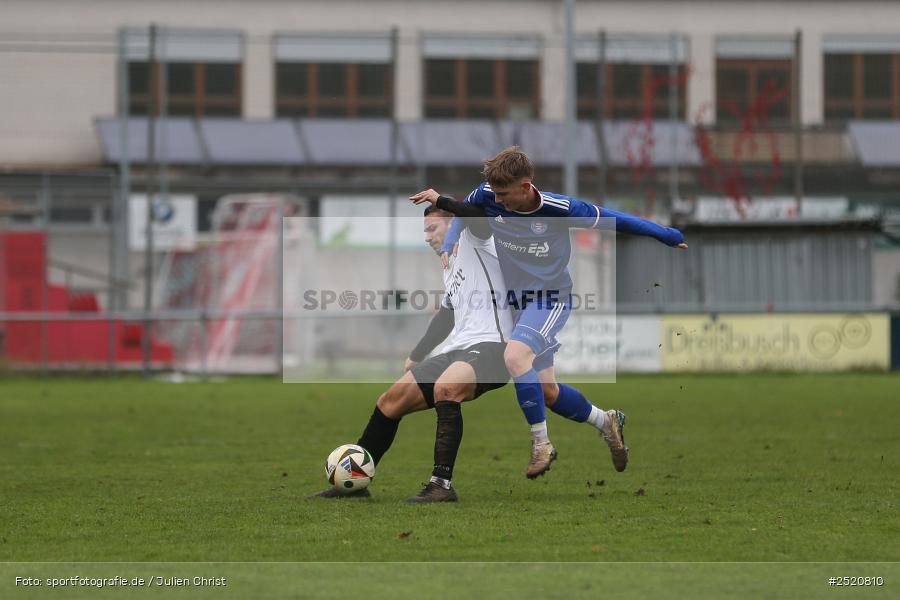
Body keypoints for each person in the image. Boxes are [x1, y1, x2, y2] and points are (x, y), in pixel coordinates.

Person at [410, 146, 688, 479]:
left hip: (549, 299)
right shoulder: (489, 192)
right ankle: (606, 421)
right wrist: (451, 242)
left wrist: (668, 235)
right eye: (493, 194)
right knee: (547, 391)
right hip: (517, 304)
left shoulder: (560, 209)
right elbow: (467, 212)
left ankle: (541, 444)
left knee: (514, 358)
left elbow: (618, 220)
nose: (496, 201)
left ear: (525, 187)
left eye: (503, 195)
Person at [312, 205, 512, 502]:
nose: (428, 237)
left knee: (447, 389)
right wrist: (418, 354)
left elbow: (477, 216)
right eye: (425, 231)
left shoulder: (476, 241)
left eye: (433, 229)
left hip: (494, 350)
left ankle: (441, 485)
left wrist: (441, 198)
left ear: (453, 225)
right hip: (458, 350)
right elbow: (447, 315)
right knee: (390, 402)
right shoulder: (451, 264)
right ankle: (355, 482)